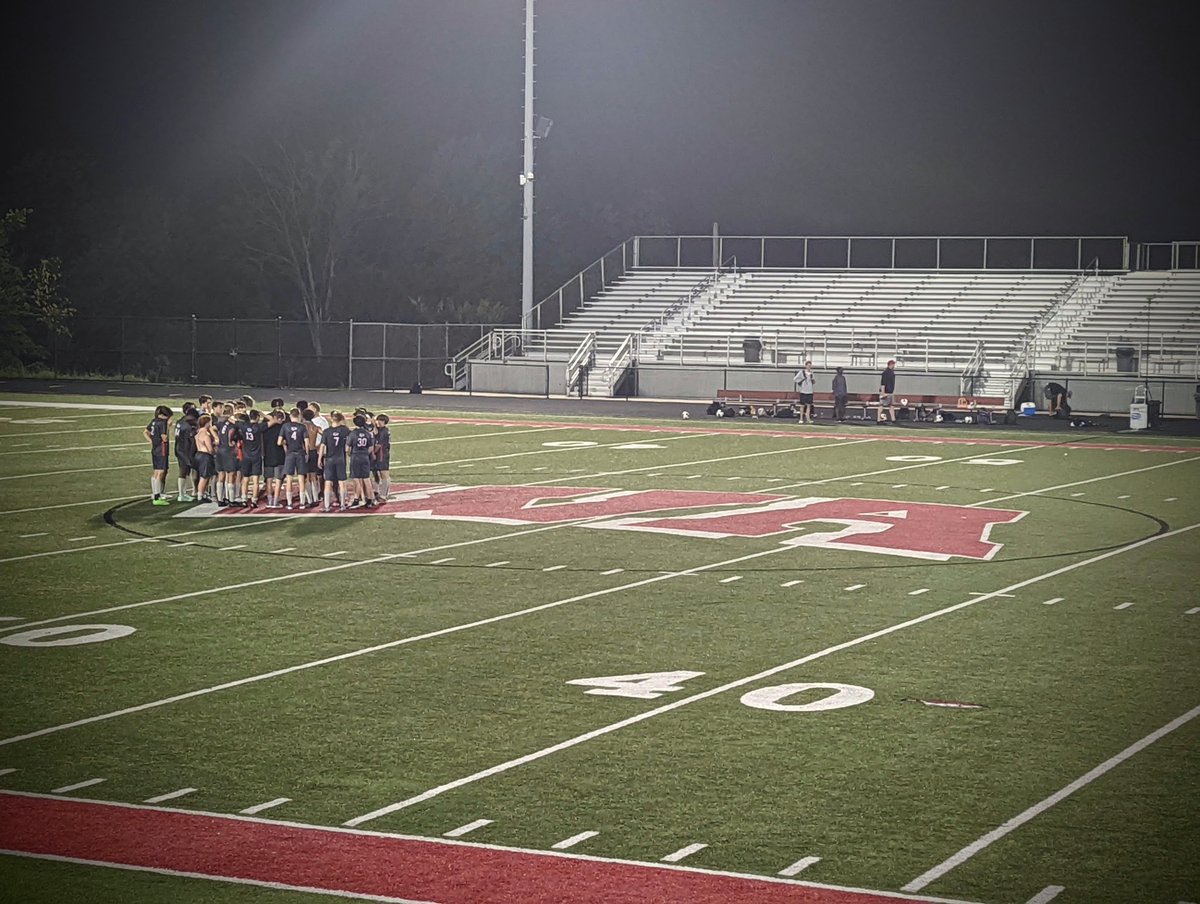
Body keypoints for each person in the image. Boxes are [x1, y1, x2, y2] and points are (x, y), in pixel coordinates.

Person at [317, 411, 351, 512]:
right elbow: (348, 444)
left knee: (328, 482)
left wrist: (319, 459)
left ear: (331, 419)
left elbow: (322, 446)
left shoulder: (327, 431)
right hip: (340, 458)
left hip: (329, 459)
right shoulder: (345, 430)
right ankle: (342, 505)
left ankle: (327, 506)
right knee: (342, 482)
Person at [278, 408, 311, 510]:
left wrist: (285, 444)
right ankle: (302, 502)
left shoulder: (285, 426)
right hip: (300, 453)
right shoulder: (302, 427)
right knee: (301, 479)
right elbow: (306, 442)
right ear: (299, 415)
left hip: (290, 454)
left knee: (289, 479)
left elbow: (279, 442)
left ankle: (289, 503)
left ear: (290, 416)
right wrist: (307, 453)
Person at [144, 405, 173, 505]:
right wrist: (168, 428)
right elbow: (165, 438)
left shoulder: (154, 421)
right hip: (162, 449)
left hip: (155, 448)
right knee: (160, 472)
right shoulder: (163, 423)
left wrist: (152, 441)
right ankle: (157, 496)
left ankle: (155, 494)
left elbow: (145, 432)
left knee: (156, 472)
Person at [347, 414, 376, 508]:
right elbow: (371, 448)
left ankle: (356, 498)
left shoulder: (352, 433)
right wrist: (365, 454)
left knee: (356, 479)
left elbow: (347, 448)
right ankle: (370, 499)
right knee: (366, 479)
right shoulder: (368, 433)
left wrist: (350, 453)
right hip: (364, 457)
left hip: (355, 456)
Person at [173, 408, 198, 502]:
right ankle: (181, 494)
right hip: (184, 450)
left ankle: (182, 493)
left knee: (184, 471)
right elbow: (190, 440)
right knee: (184, 471)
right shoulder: (187, 426)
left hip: (179, 448)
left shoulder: (180, 421)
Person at [262, 409, 286, 508]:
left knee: (269, 479)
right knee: (279, 479)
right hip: (279, 455)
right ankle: (275, 501)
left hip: (268, 455)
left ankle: (269, 500)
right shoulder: (282, 428)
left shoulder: (266, 427)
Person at [194, 414, 217, 503]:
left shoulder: (198, 432)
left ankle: (201, 494)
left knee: (202, 476)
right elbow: (210, 449)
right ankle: (200, 495)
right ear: (207, 423)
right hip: (205, 456)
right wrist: (214, 446)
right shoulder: (205, 434)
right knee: (204, 476)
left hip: (198, 454)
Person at [372, 413, 391, 503]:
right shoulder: (381, 430)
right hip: (381, 454)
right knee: (379, 473)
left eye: (379, 420)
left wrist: (373, 452)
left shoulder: (384, 431)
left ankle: (384, 495)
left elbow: (379, 445)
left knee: (384, 474)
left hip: (382, 454)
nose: (377, 422)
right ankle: (381, 493)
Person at [878, 359, 897, 424]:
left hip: (890, 392)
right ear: (891, 365)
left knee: (891, 406)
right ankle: (879, 420)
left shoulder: (891, 373)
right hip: (886, 392)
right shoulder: (885, 373)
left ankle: (893, 420)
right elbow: (883, 383)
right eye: (893, 364)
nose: (894, 366)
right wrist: (883, 393)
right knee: (881, 406)